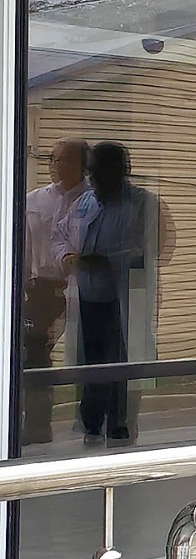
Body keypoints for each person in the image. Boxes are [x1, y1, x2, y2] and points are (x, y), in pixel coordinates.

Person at [56, 142, 175, 444]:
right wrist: (67, 256)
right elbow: (61, 234)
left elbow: (157, 246)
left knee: (122, 365)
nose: (92, 177)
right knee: (91, 365)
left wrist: (108, 260)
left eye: (98, 171)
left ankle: (120, 428)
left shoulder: (143, 203)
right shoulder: (85, 201)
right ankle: (92, 426)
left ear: (120, 171)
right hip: (88, 298)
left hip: (124, 299)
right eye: (90, 171)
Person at [21, 139, 91, 445]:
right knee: (34, 355)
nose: (56, 165)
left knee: (86, 356)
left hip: (81, 290)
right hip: (42, 291)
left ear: (83, 165)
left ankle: (90, 423)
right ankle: (37, 426)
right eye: (53, 159)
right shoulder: (34, 201)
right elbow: (23, 246)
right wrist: (24, 282)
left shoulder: (92, 201)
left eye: (65, 160)